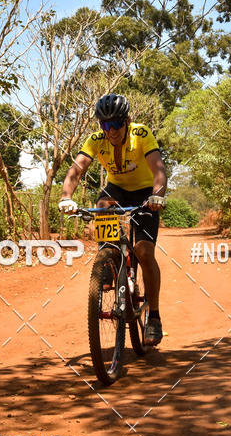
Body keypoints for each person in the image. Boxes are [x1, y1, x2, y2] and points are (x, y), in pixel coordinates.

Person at [59, 94, 167, 346]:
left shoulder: (140, 134)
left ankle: (154, 317)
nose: (111, 131)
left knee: (144, 252)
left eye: (116, 124)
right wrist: (66, 197)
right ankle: (108, 260)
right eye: (104, 125)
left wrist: (157, 195)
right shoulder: (97, 140)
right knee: (101, 205)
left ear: (127, 121)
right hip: (116, 189)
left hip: (145, 192)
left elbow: (159, 169)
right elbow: (76, 170)